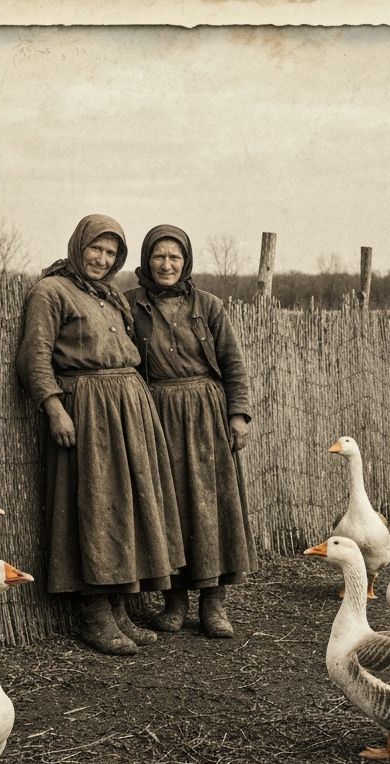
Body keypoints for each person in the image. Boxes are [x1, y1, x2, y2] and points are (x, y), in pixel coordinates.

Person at [15, 214, 185, 656]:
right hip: (87, 408)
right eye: (96, 249)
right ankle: (93, 614)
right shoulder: (50, 292)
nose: (101, 259)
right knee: (94, 505)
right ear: (78, 246)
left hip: (128, 405)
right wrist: (54, 408)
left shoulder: (110, 296)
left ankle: (119, 608)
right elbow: (34, 358)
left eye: (111, 253)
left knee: (127, 504)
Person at [126, 224, 258, 638]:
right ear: (147, 260)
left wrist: (238, 414)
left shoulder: (209, 306)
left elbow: (233, 363)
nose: (166, 265)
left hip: (206, 414)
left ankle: (214, 604)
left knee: (212, 505)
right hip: (157, 413)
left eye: (174, 257)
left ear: (186, 262)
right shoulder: (130, 305)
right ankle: (174, 602)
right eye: (159, 257)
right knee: (170, 506)